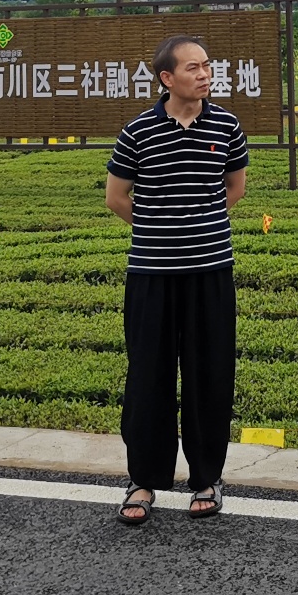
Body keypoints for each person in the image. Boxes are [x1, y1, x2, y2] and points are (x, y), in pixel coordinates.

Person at [105, 34, 248, 526]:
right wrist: (158, 227)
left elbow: (235, 186)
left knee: (210, 373)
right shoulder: (138, 131)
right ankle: (143, 479)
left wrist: (199, 224)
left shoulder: (227, 125)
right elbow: (116, 196)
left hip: (211, 271)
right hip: (151, 273)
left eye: (207, 66)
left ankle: (207, 477)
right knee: (149, 376)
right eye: (193, 68)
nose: (205, 74)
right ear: (167, 78)